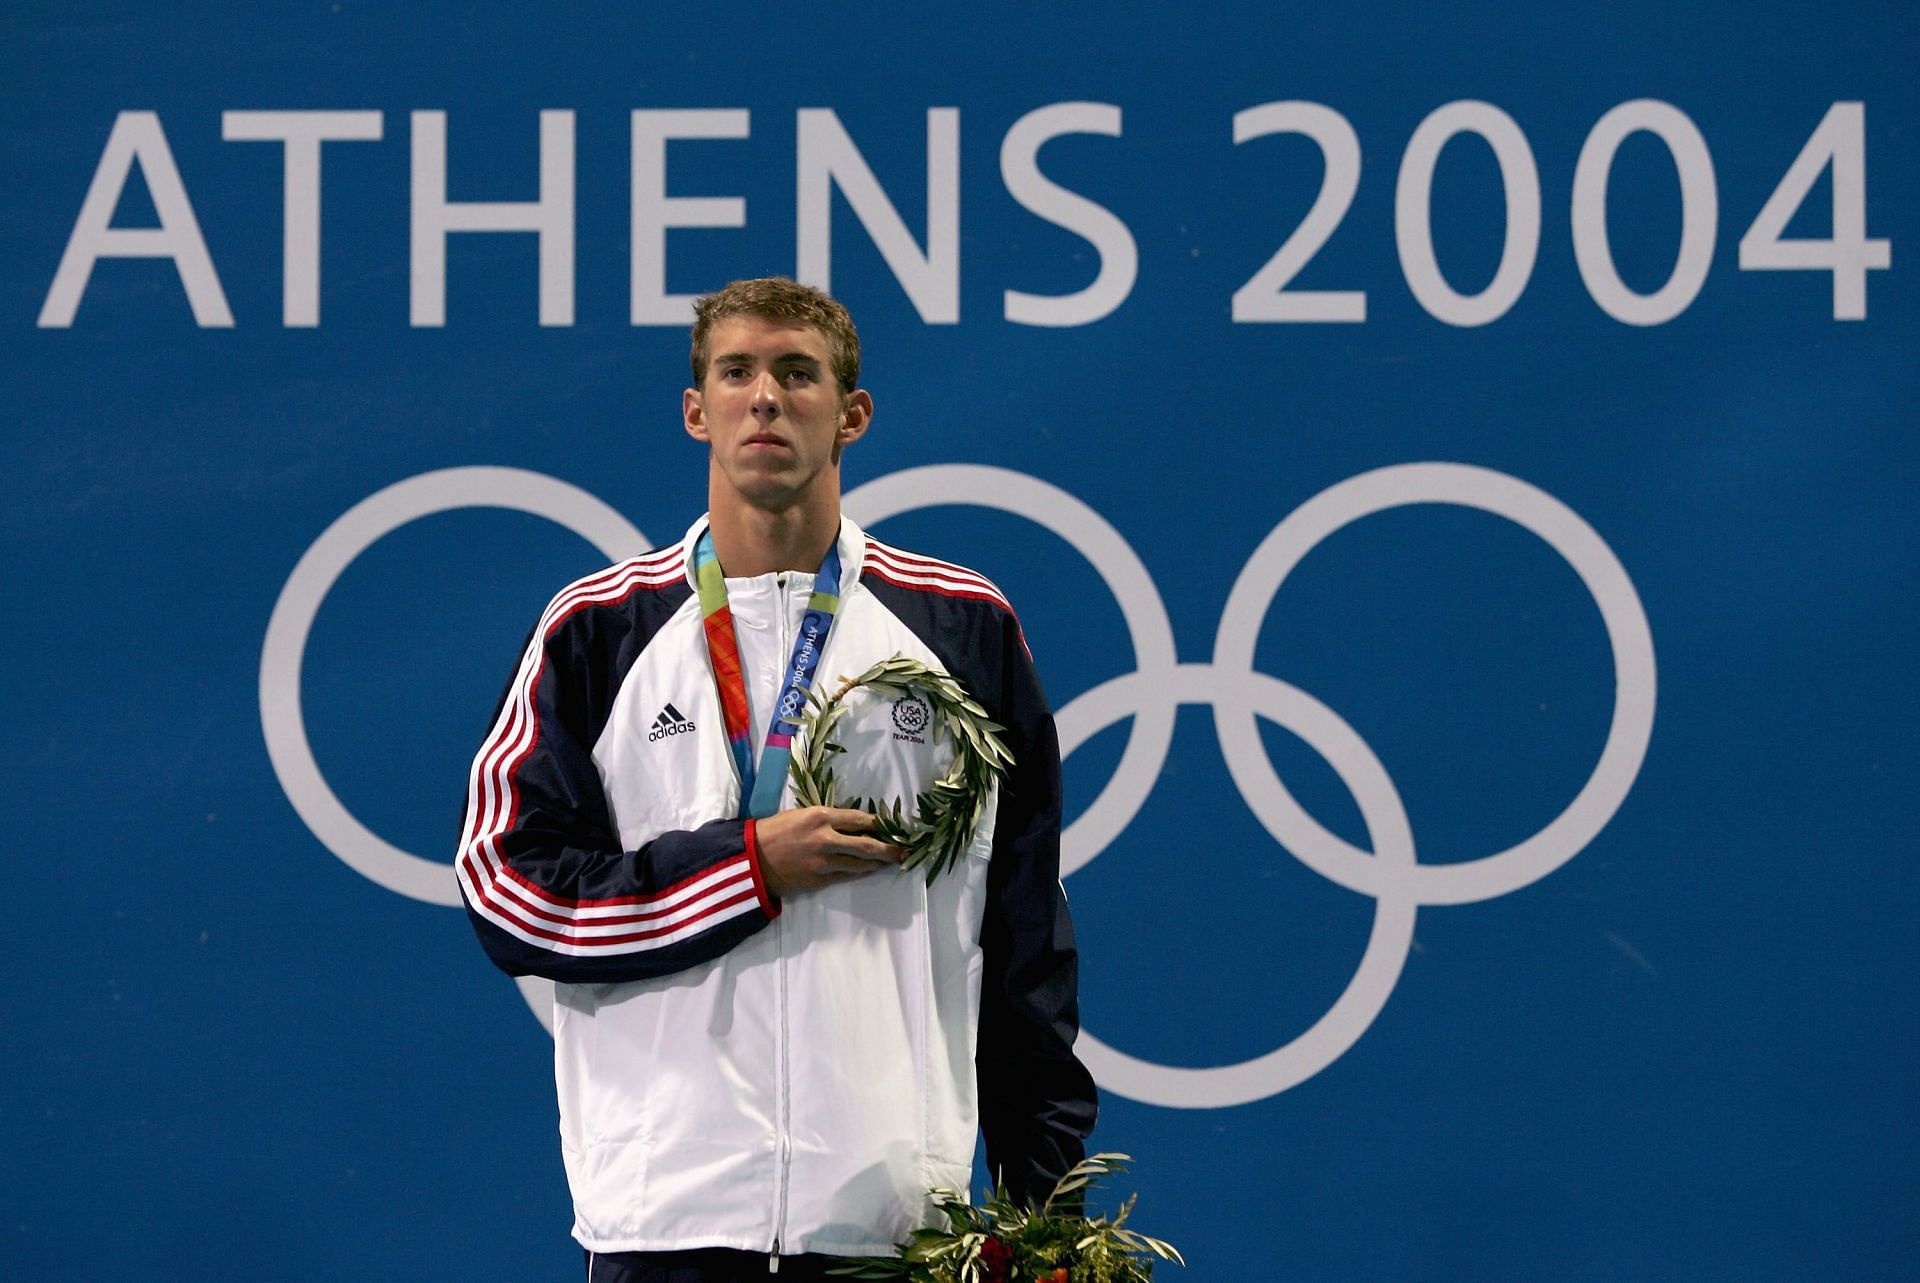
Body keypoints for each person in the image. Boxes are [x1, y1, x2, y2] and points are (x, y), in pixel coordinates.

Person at [456, 277, 1097, 1283]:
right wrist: (748, 866)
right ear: (695, 409)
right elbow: (511, 894)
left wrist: (1047, 1221)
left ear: (852, 415)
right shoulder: (596, 628)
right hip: (666, 1222)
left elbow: (1022, 946)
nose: (766, 397)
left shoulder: (962, 625)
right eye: (738, 371)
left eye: (798, 373)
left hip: (896, 1226)